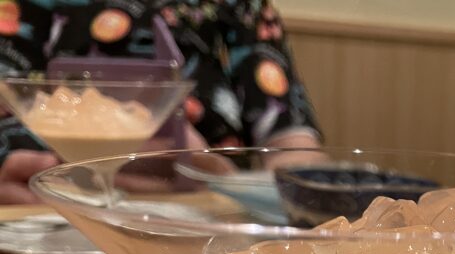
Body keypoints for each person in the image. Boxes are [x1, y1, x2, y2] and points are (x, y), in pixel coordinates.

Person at [0, 0, 322, 203]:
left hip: (210, 225)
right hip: (46, 221)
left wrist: (223, 181)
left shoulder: (241, 7)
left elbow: (292, 139)